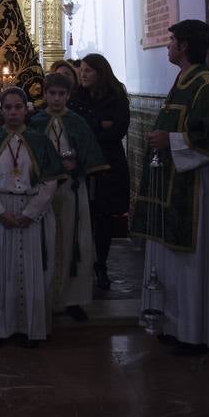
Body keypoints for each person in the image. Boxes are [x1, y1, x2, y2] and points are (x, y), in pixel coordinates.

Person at [130, 19, 209, 354]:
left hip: (195, 189)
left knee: (190, 262)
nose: (169, 45)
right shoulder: (183, 82)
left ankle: (193, 332)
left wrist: (171, 139)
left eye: (173, 40)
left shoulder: (205, 87)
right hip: (175, 185)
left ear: (186, 46)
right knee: (171, 261)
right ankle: (172, 325)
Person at [0, 86, 65, 348]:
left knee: (33, 272)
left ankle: (32, 329)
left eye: (18, 107)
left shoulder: (39, 141)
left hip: (32, 213)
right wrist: (0, 213)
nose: (13, 112)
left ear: (26, 110)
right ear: (1, 110)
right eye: (8, 107)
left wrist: (30, 213)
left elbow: (50, 182)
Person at [29, 71, 108, 321]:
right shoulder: (36, 122)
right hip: (44, 190)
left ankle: (73, 299)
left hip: (71, 188)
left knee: (76, 240)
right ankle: (46, 296)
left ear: (68, 95)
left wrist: (78, 165)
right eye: (52, 93)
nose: (56, 99)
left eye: (61, 94)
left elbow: (90, 155)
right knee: (46, 241)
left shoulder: (77, 122)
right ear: (45, 94)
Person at [68, 53, 132, 291]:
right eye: (81, 70)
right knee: (82, 214)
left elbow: (118, 129)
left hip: (108, 165)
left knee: (103, 217)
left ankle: (101, 264)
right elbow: (76, 127)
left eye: (88, 71)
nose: (82, 74)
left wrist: (93, 127)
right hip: (82, 164)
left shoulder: (115, 96)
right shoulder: (76, 96)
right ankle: (80, 265)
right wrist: (98, 124)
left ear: (100, 73)